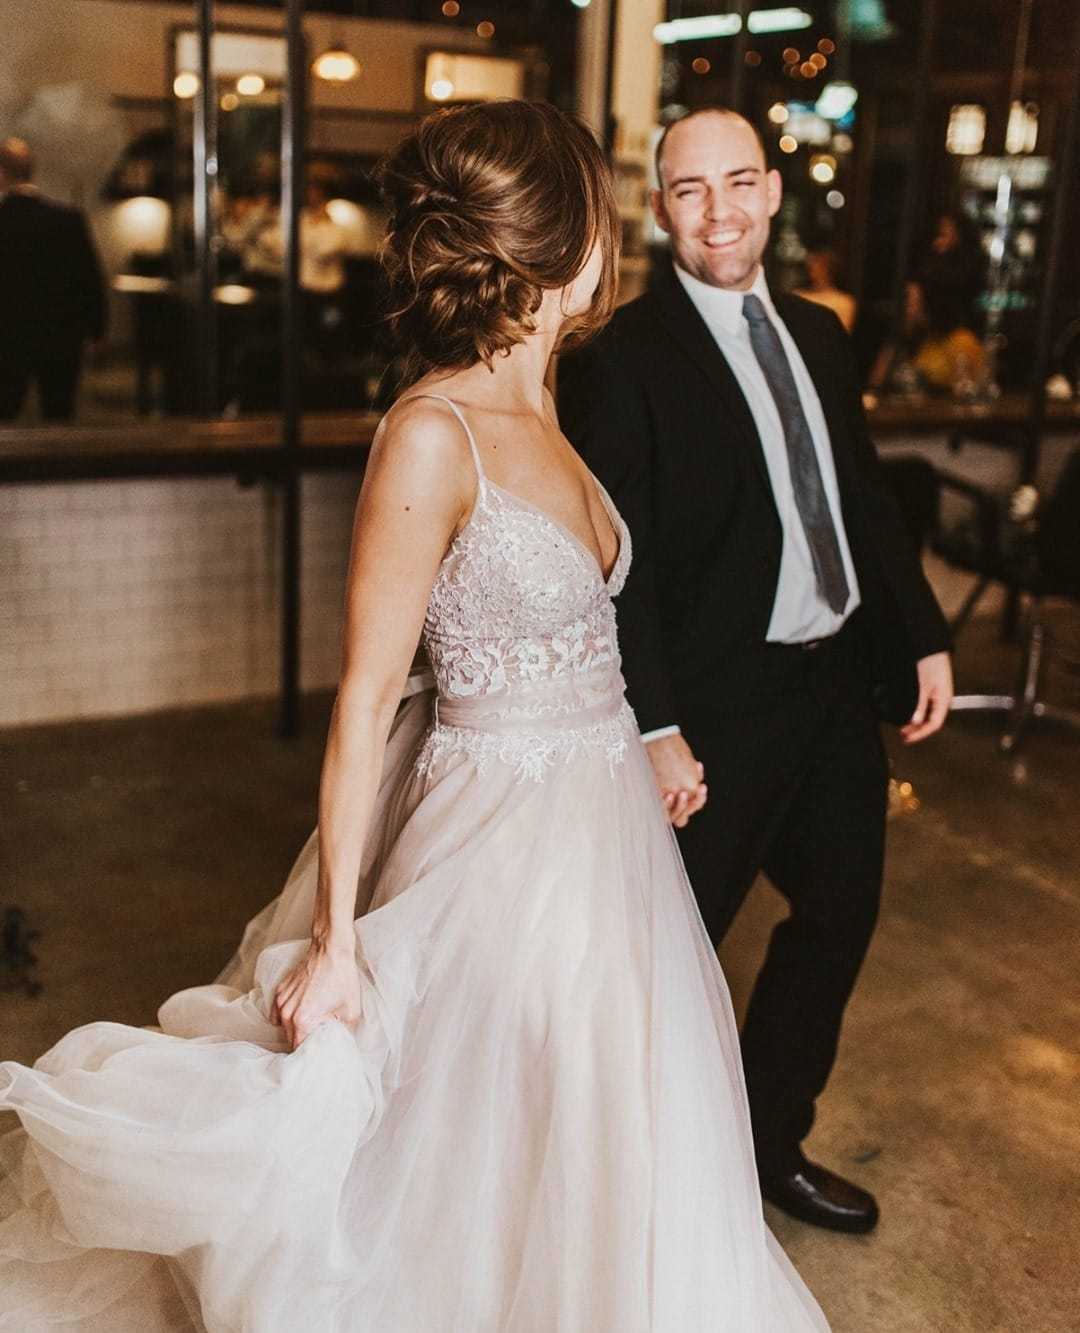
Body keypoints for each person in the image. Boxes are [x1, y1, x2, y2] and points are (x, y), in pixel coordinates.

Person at [0, 102, 828, 1332]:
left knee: (602, 1120)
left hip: (604, 844)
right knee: (468, 1136)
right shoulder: (431, 435)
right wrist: (336, 943)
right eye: (604, 211)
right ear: (570, 241)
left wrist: (636, 742)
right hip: (487, 848)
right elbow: (366, 703)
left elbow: (584, 637)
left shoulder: (554, 403)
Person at [558, 107, 953, 1236]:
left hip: (830, 692)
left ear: (774, 192)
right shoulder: (622, 357)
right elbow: (614, 563)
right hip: (715, 709)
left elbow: (861, 502)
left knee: (839, 911)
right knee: (662, 957)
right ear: (661, 208)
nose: (720, 211)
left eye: (739, 183)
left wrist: (918, 629)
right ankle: (626, 1185)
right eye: (692, 190)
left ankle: (764, 1145)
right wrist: (655, 726)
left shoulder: (824, 332)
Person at [0, 137, 106, 422]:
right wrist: (97, 329)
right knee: (59, 414)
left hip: (8, 337)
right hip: (61, 335)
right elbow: (90, 278)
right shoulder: (68, 220)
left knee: (5, 415)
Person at [794, 248, 856, 333]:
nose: (812, 270)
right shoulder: (798, 295)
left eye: (819, 266)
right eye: (810, 267)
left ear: (828, 269)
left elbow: (841, 332)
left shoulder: (844, 301)